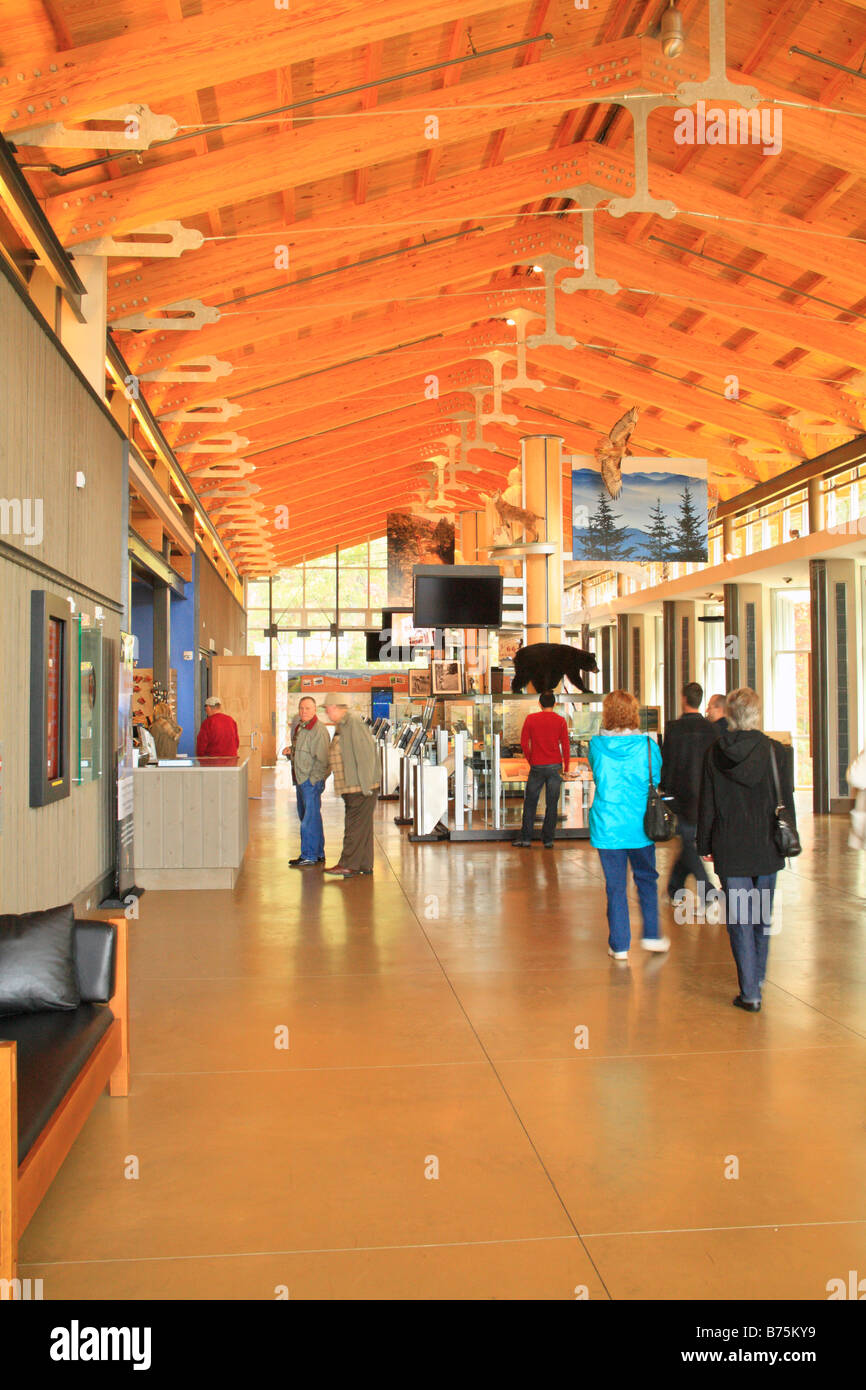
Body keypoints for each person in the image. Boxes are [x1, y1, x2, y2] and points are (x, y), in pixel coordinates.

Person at [696, 687, 796, 1013]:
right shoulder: (775, 752)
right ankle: (759, 976)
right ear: (757, 713)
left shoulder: (714, 752)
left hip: (730, 846)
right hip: (767, 844)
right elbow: (787, 800)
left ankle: (750, 992)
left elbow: (707, 804)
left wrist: (705, 844)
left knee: (740, 918)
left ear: (731, 714)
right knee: (761, 918)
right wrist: (789, 836)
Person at [588, 690, 670, 960]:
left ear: (607, 714)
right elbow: (655, 779)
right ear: (634, 713)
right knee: (647, 879)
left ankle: (620, 945)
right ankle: (652, 934)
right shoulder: (648, 746)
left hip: (608, 826)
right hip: (640, 825)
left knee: (615, 887)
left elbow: (598, 776)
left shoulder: (596, 745)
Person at [660, 681, 722, 921]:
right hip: (705, 796)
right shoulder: (712, 730)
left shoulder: (674, 729)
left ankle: (708, 892)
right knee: (687, 842)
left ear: (684, 699)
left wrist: (665, 790)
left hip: (681, 796)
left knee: (687, 842)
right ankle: (673, 889)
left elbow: (668, 763)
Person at [323, 701, 380, 878]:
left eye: (328, 708)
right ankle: (364, 863)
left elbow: (365, 754)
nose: (327, 712)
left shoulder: (352, 722)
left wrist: (365, 787)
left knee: (354, 827)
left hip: (360, 787)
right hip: (352, 787)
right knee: (363, 827)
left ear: (337, 708)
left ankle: (348, 864)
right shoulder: (343, 725)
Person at [513, 692, 570, 848]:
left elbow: (524, 743)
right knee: (552, 804)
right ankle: (548, 839)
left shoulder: (531, 719)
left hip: (537, 766)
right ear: (555, 704)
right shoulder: (561, 721)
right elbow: (565, 745)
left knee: (530, 802)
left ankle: (525, 838)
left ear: (539, 703)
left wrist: (531, 760)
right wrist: (567, 767)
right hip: (555, 766)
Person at [282, 697, 330, 868]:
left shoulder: (319, 730)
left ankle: (309, 855)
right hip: (301, 779)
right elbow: (304, 752)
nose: (304, 711)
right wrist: (291, 752)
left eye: (308, 708)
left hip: (310, 782)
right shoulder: (302, 727)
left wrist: (313, 781)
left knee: (309, 820)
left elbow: (323, 760)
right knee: (312, 818)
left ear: (315, 709)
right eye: (301, 708)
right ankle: (317, 853)